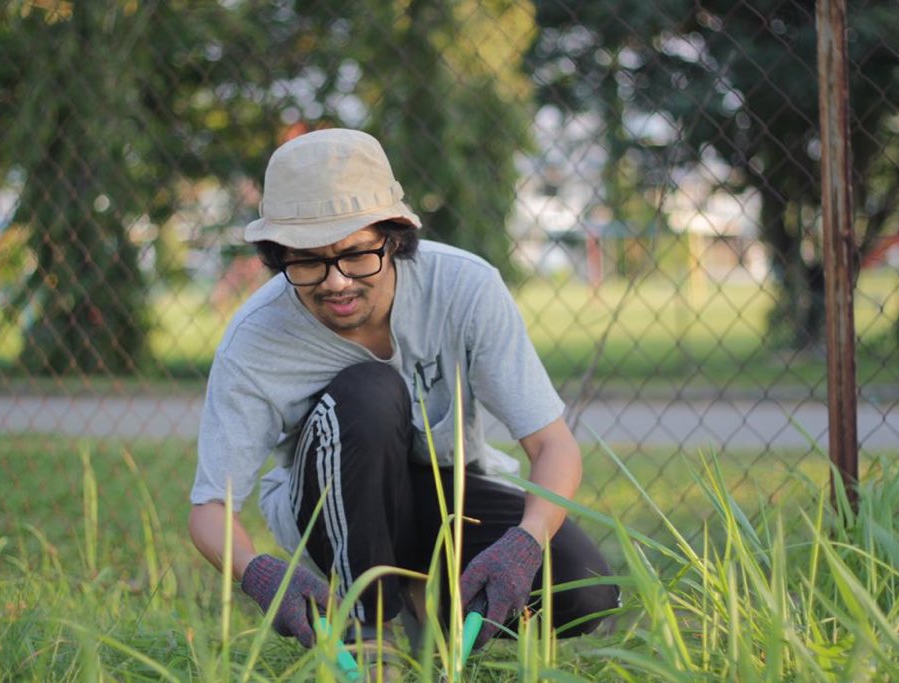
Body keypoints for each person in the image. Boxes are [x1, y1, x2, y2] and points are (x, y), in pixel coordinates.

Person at [188, 128, 618, 654]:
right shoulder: (256, 339)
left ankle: (434, 612)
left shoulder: (464, 287)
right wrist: (258, 573)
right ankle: (371, 635)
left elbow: (553, 445)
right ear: (279, 257)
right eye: (307, 261)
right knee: (370, 391)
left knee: (585, 589)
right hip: (331, 507)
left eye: (357, 254)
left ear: (393, 238)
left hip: (447, 490)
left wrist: (523, 547)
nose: (337, 282)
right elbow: (211, 506)